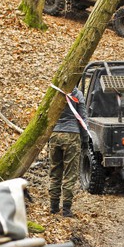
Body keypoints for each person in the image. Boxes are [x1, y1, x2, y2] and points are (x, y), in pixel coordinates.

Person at [48, 87, 87, 218]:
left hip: (55, 134)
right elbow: (82, 119)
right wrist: (85, 139)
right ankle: (66, 209)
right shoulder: (77, 94)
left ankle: (53, 206)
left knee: (55, 172)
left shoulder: (54, 91)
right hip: (72, 135)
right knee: (70, 174)